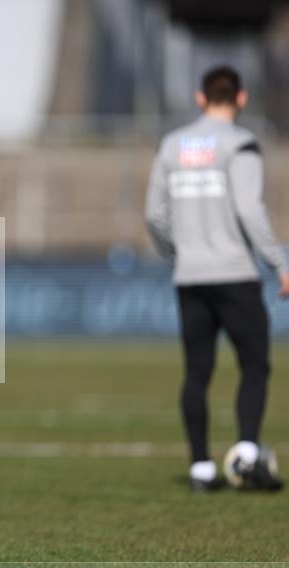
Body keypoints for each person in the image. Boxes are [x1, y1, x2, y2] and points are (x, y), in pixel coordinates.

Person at [145, 65, 287, 493]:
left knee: (197, 372)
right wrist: (279, 263)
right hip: (235, 274)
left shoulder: (171, 145)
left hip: (191, 276)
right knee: (255, 364)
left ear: (200, 98)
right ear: (241, 99)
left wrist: (177, 253)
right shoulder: (240, 143)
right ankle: (246, 454)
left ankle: (201, 469)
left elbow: (154, 214)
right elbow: (248, 209)